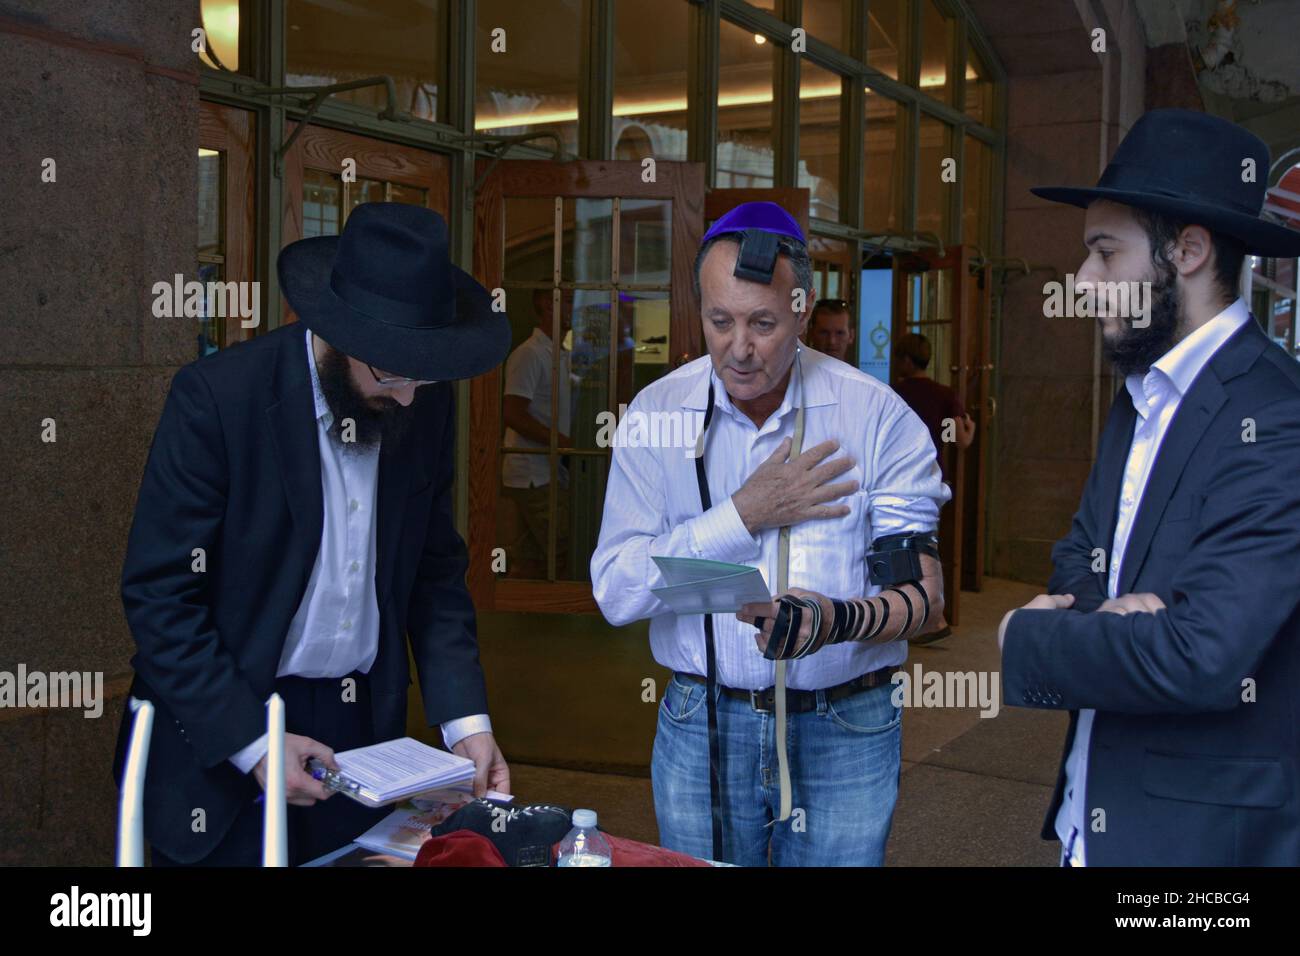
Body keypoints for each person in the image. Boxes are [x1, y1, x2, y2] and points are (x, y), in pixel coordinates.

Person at [113, 202, 513, 866]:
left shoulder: (419, 395)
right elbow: (160, 599)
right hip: (223, 723)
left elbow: (434, 574)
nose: (410, 396)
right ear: (337, 333)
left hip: (360, 737)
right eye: (390, 373)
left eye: (424, 374)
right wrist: (255, 742)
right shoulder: (217, 398)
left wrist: (465, 723)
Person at [591, 201, 950, 866]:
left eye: (763, 323)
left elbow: (927, 606)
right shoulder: (656, 414)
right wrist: (741, 517)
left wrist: (829, 619)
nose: (739, 347)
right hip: (701, 721)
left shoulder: (879, 419)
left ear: (803, 311)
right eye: (719, 321)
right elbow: (616, 590)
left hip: (847, 722)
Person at [998, 109, 1300, 865]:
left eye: (1105, 253)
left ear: (1189, 251)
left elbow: (1200, 654)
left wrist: (1022, 639)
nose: (1083, 282)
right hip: (1089, 821)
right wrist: (1123, 620)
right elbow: (1076, 560)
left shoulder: (1279, 414)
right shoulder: (1141, 393)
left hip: (1195, 852)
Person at [500, 288, 574, 578]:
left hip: (547, 470)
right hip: (533, 471)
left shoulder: (558, 353)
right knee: (560, 550)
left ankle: (526, 622)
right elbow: (513, 412)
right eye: (568, 300)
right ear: (546, 303)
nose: (574, 307)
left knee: (532, 558)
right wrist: (562, 444)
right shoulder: (530, 353)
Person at [806, 298, 856, 362]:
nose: (832, 341)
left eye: (839, 333)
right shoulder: (796, 371)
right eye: (824, 333)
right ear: (811, 334)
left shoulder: (857, 372)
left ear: (851, 336)